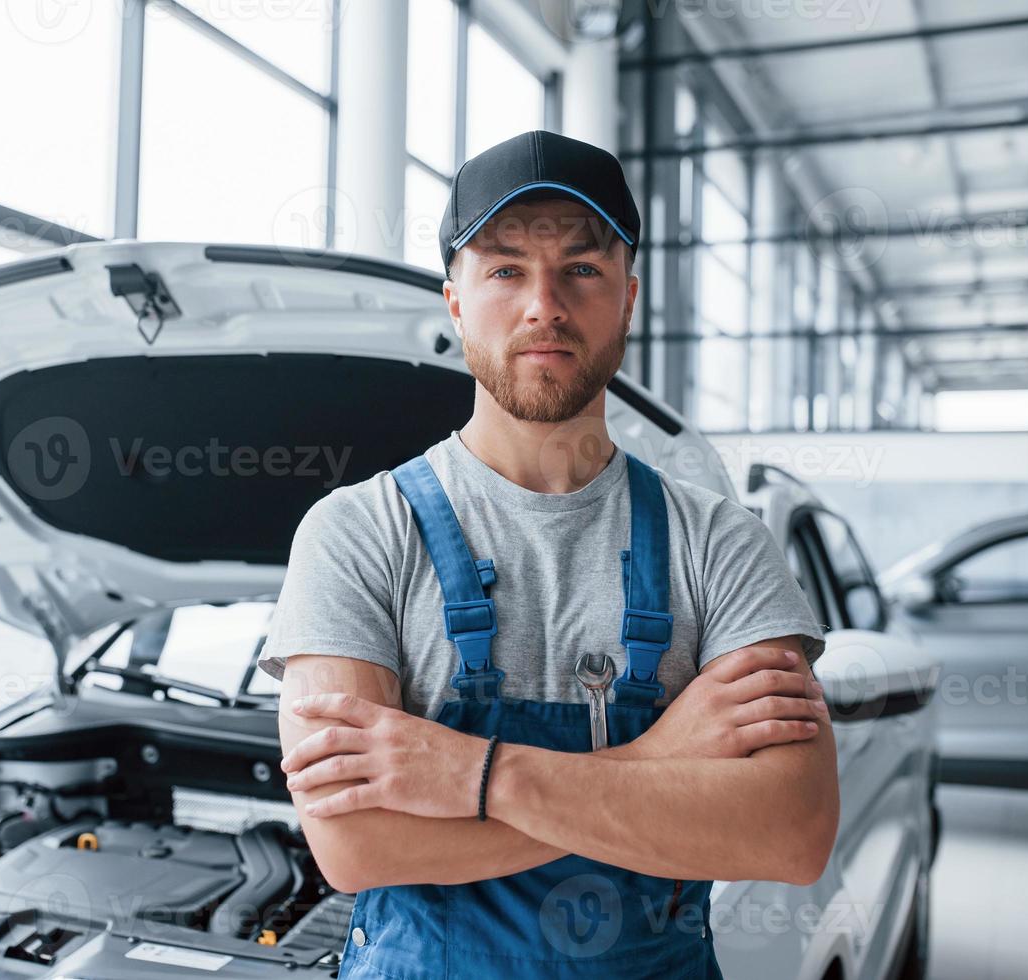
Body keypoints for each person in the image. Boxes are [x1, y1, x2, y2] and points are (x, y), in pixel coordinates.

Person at [256, 130, 837, 979]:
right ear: (453, 299)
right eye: (504, 271)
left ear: (628, 298)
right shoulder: (356, 532)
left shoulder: (719, 542)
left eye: (581, 269)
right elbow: (356, 845)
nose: (544, 305)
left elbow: (788, 832)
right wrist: (654, 765)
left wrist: (465, 774)